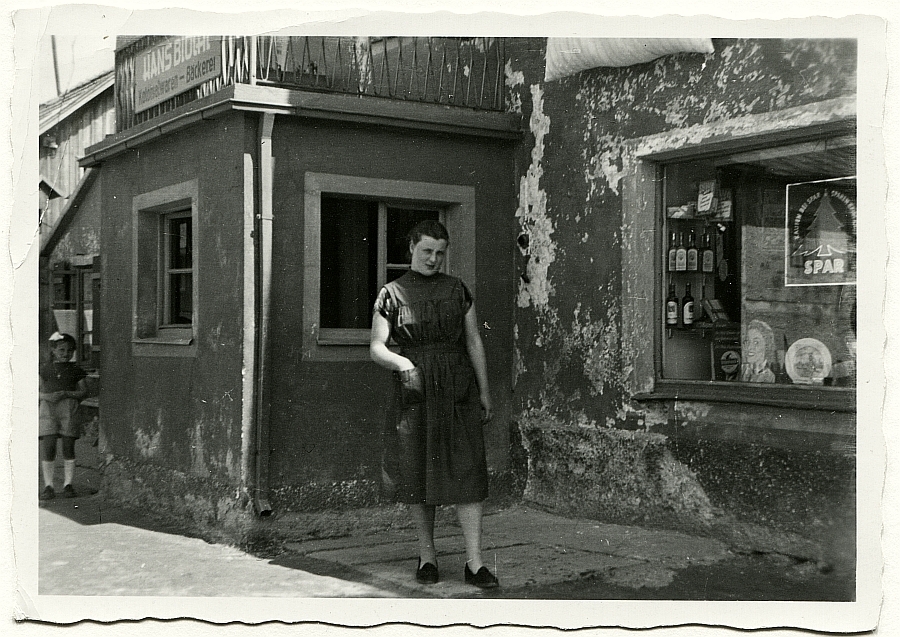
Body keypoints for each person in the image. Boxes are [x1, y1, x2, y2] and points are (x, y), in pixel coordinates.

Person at [370, 220, 498, 589]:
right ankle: (427, 557)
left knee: (468, 469)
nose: (433, 258)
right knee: (417, 470)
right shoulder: (391, 293)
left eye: (440, 252)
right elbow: (377, 346)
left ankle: (474, 564)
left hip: (458, 387)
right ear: (411, 247)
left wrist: (485, 391)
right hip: (416, 390)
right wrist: (403, 363)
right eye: (426, 250)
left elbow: (473, 341)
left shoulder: (457, 290)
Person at [39, 332, 89, 500]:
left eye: (69, 351)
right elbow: (34, 390)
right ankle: (48, 486)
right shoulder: (45, 369)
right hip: (48, 409)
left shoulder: (76, 370)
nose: (65, 354)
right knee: (49, 446)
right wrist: (46, 396)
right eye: (61, 350)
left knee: (68, 446)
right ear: (53, 350)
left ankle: (68, 484)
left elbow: (83, 392)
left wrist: (68, 393)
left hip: (68, 408)